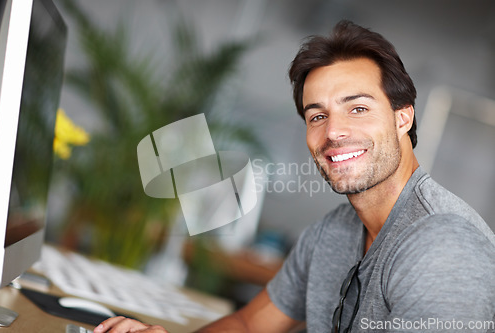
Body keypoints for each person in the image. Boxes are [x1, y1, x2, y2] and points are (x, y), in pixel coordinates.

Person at [95, 20, 495, 333]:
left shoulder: (446, 245)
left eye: (357, 108)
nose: (333, 132)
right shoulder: (331, 234)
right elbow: (250, 324)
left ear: (402, 117)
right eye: (317, 116)